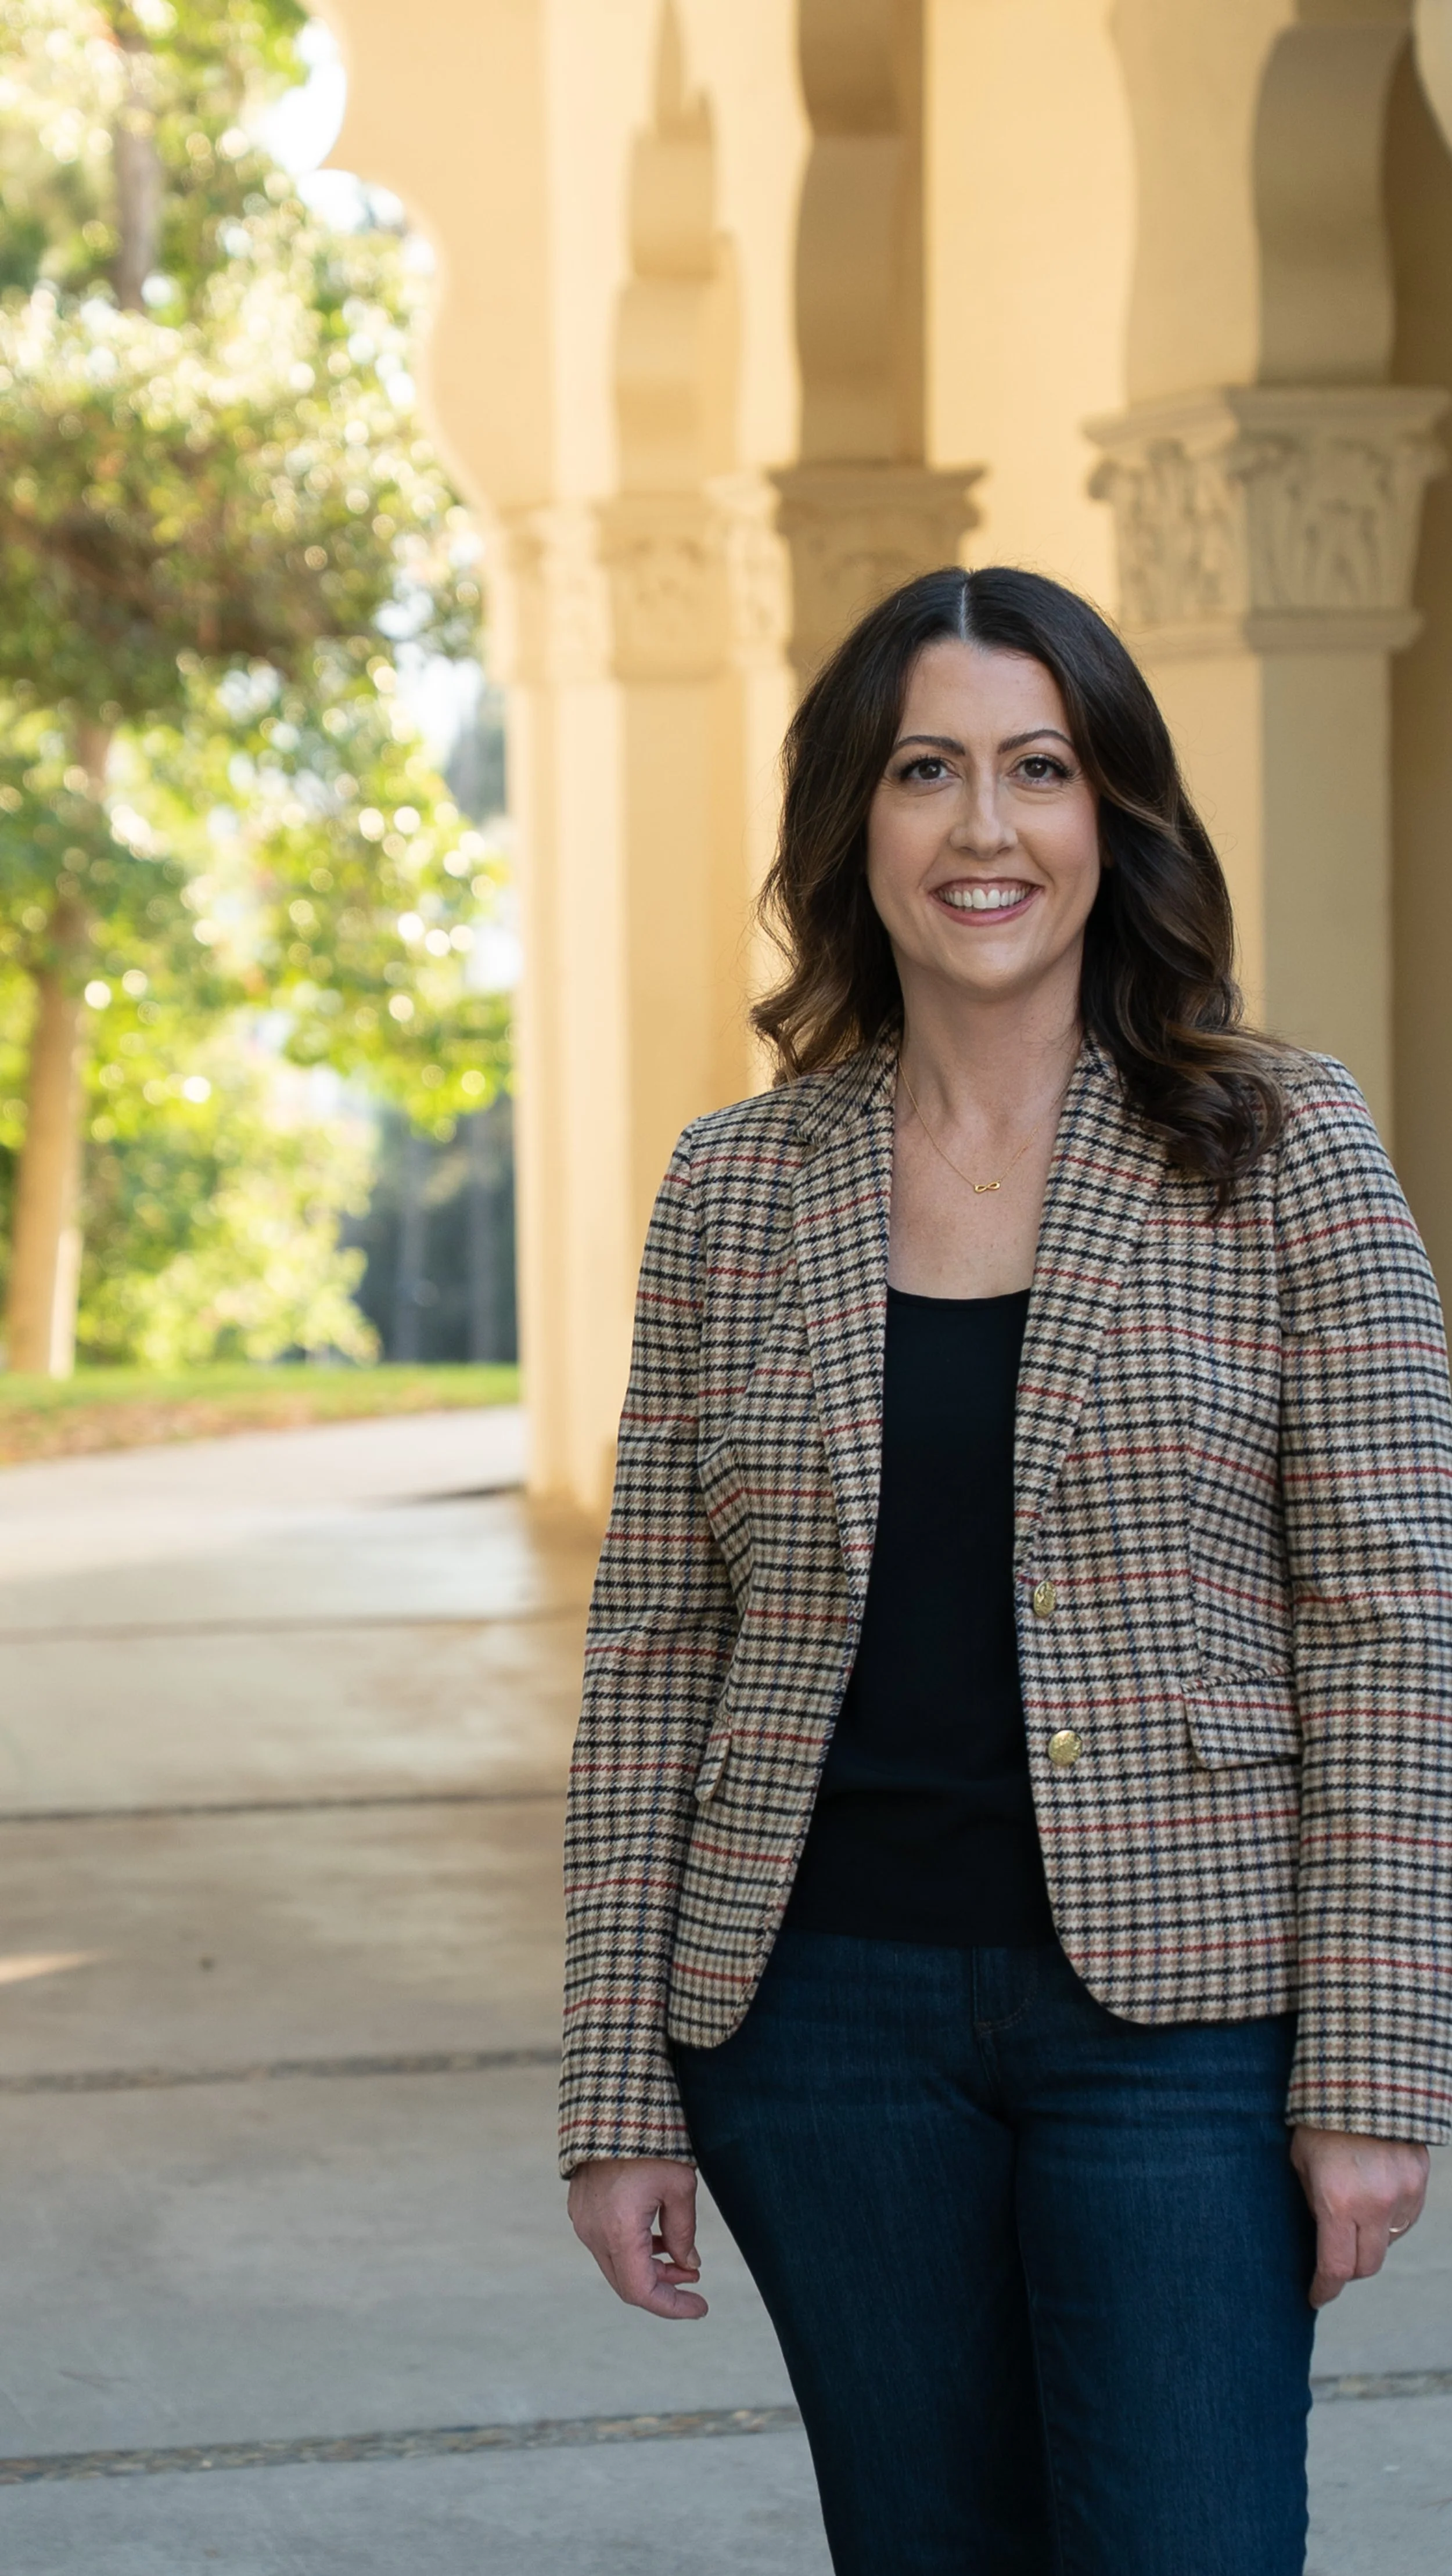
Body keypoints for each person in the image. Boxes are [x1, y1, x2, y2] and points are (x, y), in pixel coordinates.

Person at [560, 566, 1451, 2574]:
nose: (984, 828)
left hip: (1185, 2027)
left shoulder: (1281, 1145)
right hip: (816, 2022)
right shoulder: (731, 1186)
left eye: (1038, 769)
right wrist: (615, 2089)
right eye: (925, 771)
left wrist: (1371, 2065)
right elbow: (654, 1647)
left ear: (1112, 813)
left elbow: (1390, 1625)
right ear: (850, 822)